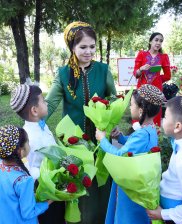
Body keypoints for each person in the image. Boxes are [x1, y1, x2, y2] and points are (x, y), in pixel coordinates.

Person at [45, 21, 116, 224]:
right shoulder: (63, 74)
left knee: (100, 184)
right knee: (80, 183)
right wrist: (34, 122)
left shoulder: (103, 70)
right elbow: (49, 105)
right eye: (83, 47)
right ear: (72, 47)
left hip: (101, 138)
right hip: (74, 142)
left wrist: (111, 119)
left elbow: (113, 98)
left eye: (92, 46)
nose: (88, 51)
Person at [95, 84, 165, 224]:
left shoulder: (142, 134)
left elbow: (121, 155)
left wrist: (102, 140)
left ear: (141, 110)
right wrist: (120, 137)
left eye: (132, 105)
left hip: (131, 188)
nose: (129, 107)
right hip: (141, 184)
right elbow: (135, 146)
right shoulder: (150, 130)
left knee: (127, 217)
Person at [10, 84, 65, 224]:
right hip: (45, 190)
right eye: (43, 100)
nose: (46, 102)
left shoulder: (41, 125)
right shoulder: (31, 138)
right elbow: (28, 167)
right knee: (51, 219)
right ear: (34, 110)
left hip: (52, 185)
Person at [147, 95, 182, 224]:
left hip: (175, 216)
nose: (161, 120)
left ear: (177, 126)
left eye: (165, 116)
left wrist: (163, 214)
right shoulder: (181, 144)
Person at [0, 124, 53, 224]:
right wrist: (51, 200)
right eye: (28, 142)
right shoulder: (23, 180)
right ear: (20, 151)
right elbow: (29, 213)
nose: (30, 144)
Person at [133, 32, 171, 126]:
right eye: (156, 40)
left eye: (161, 41)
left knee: (154, 114)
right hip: (142, 89)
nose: (158, 43)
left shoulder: (163, 57)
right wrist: (141, 69)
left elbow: (168, 76)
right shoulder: (142, 54)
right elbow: (136, 73)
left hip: (156, 91)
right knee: (140, 112)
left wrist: (157, 78)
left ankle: (154, 135)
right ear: (150, 41)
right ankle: (138, 134)